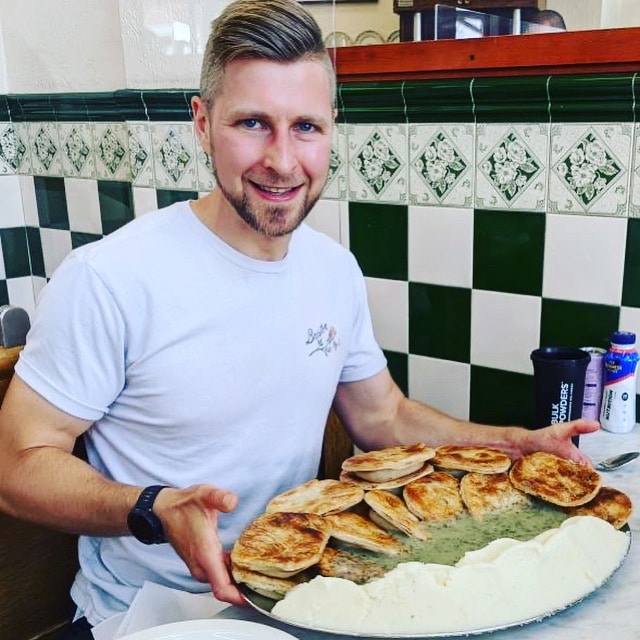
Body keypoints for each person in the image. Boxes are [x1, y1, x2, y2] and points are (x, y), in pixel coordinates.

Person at [0, 0, 597, 638]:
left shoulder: (333, 269)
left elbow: (382, 416)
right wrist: (152, 507)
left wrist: (510, 445)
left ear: (332, 127)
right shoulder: (108, 279)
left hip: (301, 599)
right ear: (202, 124)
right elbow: (17, 466)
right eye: (253, 123)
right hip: (150, 613)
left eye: (306, 127)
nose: (283, 161)